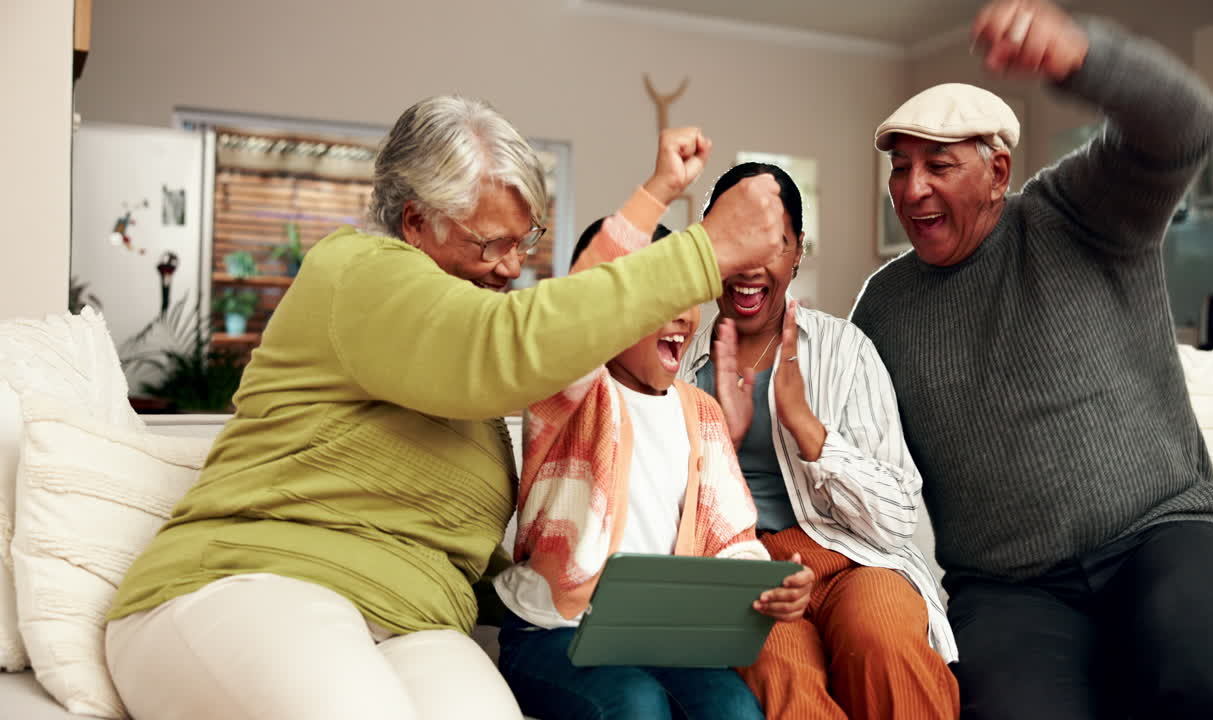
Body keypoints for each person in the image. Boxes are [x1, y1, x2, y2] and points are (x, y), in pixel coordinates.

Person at [102, 98, 787, 720]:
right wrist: (707, 249)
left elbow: (441, 515)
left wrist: (542, 589)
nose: (512, 266)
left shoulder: (458, 377)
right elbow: (522, 340)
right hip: (255, 583)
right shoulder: (358, 271)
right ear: (415, 222)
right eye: (492, 244)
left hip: (415, 622)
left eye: (525, 242)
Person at [850, 2, 1213, 718]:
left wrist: (1082, 56)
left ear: (997, 171)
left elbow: (1187, 125)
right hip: (1012, 588)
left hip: (1162, 535)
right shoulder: (884, 308)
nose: (911, 188)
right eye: (900, 168)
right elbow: (852, 448)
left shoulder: (1078, 213)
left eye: (938, 164)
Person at [495, 139, 817, 720]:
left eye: (685, 296)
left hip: (664, 643)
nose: (680, 314)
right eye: (654, 297)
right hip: (553, 633)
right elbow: (573, 309)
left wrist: (766, 586)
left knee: (736, 711)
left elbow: (731, 539)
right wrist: (658, 190)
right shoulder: (570, 391)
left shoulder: (702, 413)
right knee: (637, 706)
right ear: (610, 314)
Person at [681, 162, 959, 720]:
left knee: (881, 640)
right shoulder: (678, 369)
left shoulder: (846, 351)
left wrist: (809, 429)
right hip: (751, 574)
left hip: (855, 558)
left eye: (772, 242)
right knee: (780, 672)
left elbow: (898, 517)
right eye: (732, 242)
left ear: (797, 250)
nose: (748, 267)